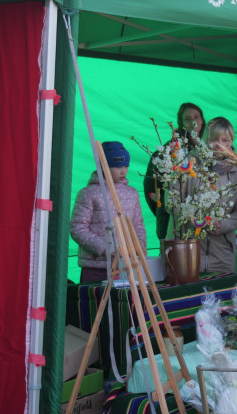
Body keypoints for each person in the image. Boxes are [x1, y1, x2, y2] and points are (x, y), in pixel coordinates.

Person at [71, 141, 148, 284]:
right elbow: (77, 228)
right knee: (96, 304)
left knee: (124, 304)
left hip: (126, 266)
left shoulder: (132, 194)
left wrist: (141, 243)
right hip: (95, 267)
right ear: (104, 167)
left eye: (126, 166)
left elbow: (138, 225)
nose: (123, 171)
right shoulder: (88, 194)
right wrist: (105, 248)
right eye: (118, 166)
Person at [144, 102, 206, 240]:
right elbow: (151, 186)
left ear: (202, 120)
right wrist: (165, 210)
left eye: (196, 117)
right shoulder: (169, 151)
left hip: (203, 222)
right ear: (181, 123)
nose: (193, 122)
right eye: (188, 119)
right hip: (172, 221)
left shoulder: (210, 148)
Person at [199, 117, 237, 275]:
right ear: (205, 139)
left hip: (222, 256)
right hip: (190, 252)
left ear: (231, 141)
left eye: (225, 140)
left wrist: (225, 224)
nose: (219, 145)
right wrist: (196, 219)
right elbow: (171, 203)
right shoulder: (189, 165)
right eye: (213, 139)